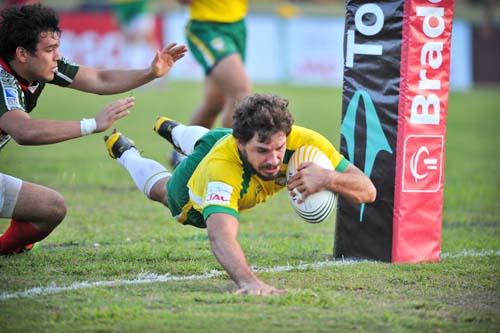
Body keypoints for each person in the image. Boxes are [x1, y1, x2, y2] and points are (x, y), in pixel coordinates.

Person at [104, 93, 376, 295]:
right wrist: (249, 282)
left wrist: (329, 177)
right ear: (241, 143)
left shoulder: (305, 141)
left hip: (221, 137)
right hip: (194, 190)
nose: (274, 159)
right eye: (262, 151)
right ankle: (126, 153)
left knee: (209, 136)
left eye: (279, 148)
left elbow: (368, 190)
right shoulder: (223, 170)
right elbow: (220, 235)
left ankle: (174, 130)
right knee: (162, 191)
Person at [0, 3, 187, 254]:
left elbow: (99, 79)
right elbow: (24, 131)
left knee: (50, 208)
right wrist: (92, 125)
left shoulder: (42, 67)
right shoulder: (3, 78)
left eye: (57, 48)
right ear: (22, 54)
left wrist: (150, 73)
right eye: (50, 49)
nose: (57, 56)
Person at [172, 0, 252, 166]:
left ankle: (183, 153)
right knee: (240, 92)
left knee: (214, 102)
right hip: (206, 27)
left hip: (237, 25)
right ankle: (230, 161)